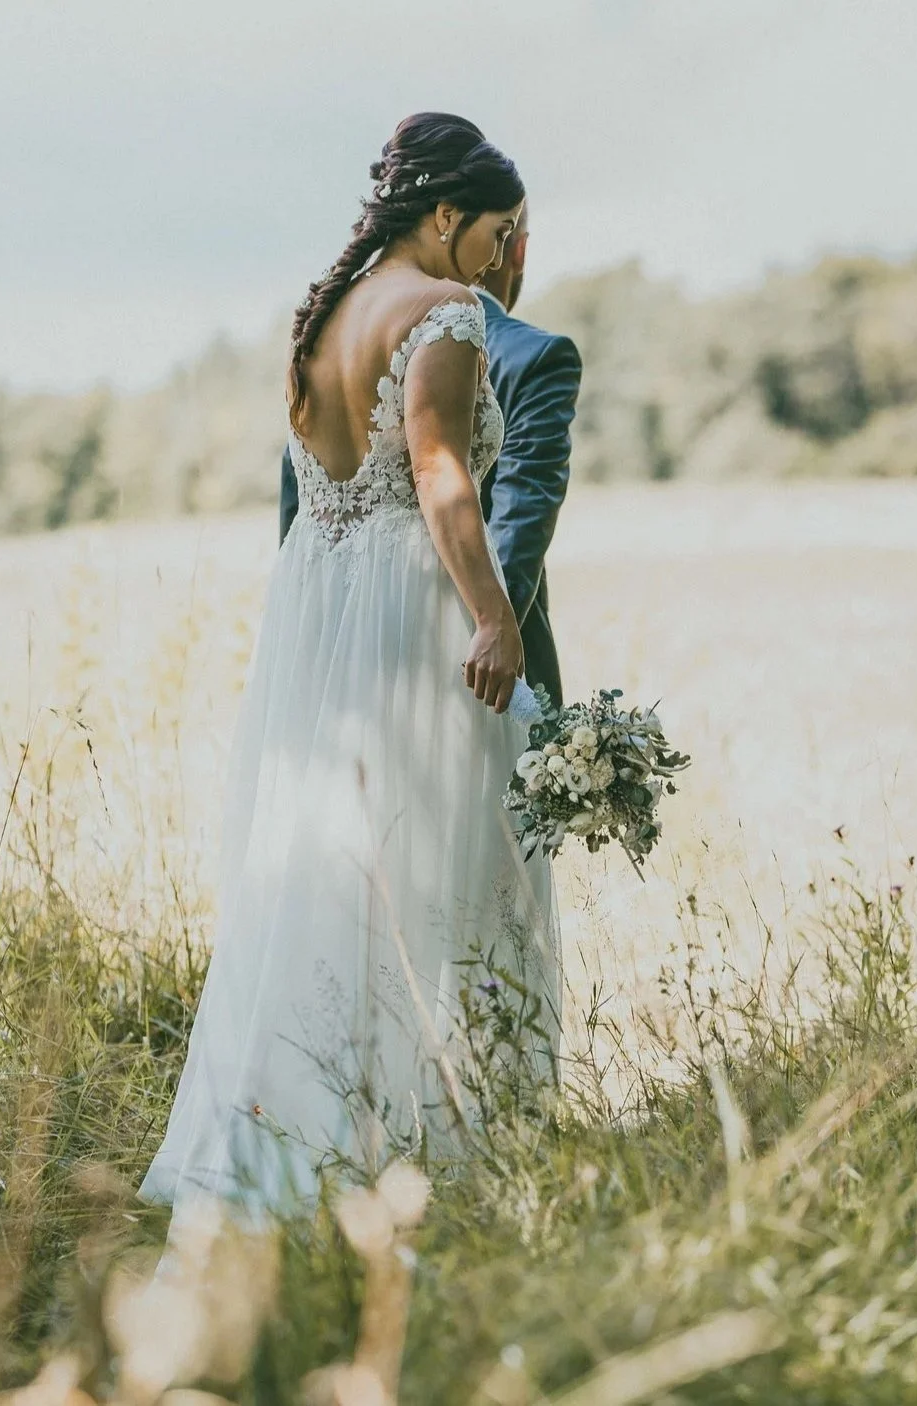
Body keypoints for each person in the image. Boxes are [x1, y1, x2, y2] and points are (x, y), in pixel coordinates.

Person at [144, 113, 557, 1210]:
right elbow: (439, 475)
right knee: (444, 861)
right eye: (498, 230)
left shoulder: (320, 314)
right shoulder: (445, 314)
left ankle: (316, 1121)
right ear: (444, 214)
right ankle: (444, 1141)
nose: (505, 256)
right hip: (407, 607)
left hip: (319, 601)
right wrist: (493, 615)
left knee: (327, 860)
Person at [280, 217, 579, 705]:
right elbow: (518, 522)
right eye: (498, 235)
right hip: (470, 658)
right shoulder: (533, 354)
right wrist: (484, 632)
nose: (498, 254)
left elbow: (304, 507)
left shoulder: (328, 321)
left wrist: (315, 636)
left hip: (338, 645)